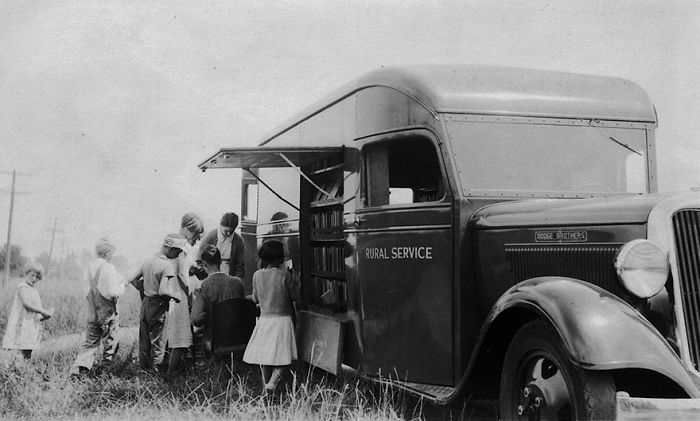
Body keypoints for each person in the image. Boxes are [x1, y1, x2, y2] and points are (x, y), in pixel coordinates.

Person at [243, 240, 300, 395]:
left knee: (265, 356)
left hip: (264, 320)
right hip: (282, 320)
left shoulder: (257, 275)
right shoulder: (284, 275)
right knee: (285, 356)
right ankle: (272, 383)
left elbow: (255, 299)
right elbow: (295, 296)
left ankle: (266, 385)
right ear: (280, 257)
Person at [128, 233, 186, 371]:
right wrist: (176, 296)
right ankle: (155, 376)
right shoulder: (167, 266)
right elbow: (163, 291)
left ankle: (144, 372)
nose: (178, 255)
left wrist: (145, 290)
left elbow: (133, 279)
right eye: (178, 251)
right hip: (158, 308)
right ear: (171, 248)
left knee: (144, 343)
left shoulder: (148, 260)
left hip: (145, 306)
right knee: (158, 344)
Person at [69, 238, 126, 376]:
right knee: (110, 344)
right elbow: (113, 292)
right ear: (107, 252)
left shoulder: (87, 268)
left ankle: (79, 370)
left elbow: (86, 292)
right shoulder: (108, 268)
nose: (113, 256)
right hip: (107, 314)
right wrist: (123, 284)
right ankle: (104, 372)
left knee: (90, 344)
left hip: (92, 313)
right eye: (112, 253)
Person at [164, 212, 205, 374]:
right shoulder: (183, 247)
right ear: (188, 230)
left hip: (172, 292)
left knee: (174, 336)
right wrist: (189, 295)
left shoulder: (174, 245)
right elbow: (182, 273)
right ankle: (171, 374)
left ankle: (169, 369)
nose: (198, 239)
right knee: (181, 339)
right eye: (196, 235)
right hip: (180, 296)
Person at [190, 245, 245, 355]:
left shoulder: (203, 286)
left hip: (214, 341)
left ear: (204, 264)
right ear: (220, 262)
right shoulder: (237, 283)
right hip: (239, 340)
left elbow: (196, 319)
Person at [1, 263, 53, 360]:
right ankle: (11, 370)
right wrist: (42, 311)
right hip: (21, 325)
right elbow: (27, 305)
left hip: (30, 327)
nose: (34, 279)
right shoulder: (22, 287)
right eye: (32, 275)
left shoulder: (34, 291)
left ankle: (25, 369)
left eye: (37, 277)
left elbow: (34, 313)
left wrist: (44, 316)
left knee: (27, 350)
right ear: (27, 273)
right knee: (16, 349)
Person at [200, 212, 245, 279]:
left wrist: (237, 281)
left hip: (229, 276)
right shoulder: (210, 236)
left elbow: (240, 265)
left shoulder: (238, 240)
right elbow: (200, 258)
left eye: (231, 231)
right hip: (210, 276)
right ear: (220, 226)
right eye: (226, 230)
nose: (228, 233)